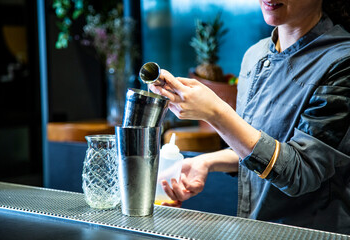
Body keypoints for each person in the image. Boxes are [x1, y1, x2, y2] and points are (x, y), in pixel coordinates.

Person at [149, 0, 350, 235]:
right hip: (254, 230)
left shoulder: (341, 63)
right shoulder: (254, 56)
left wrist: (216, 112)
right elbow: (264, 142)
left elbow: (301, 170)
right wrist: (208, 161)